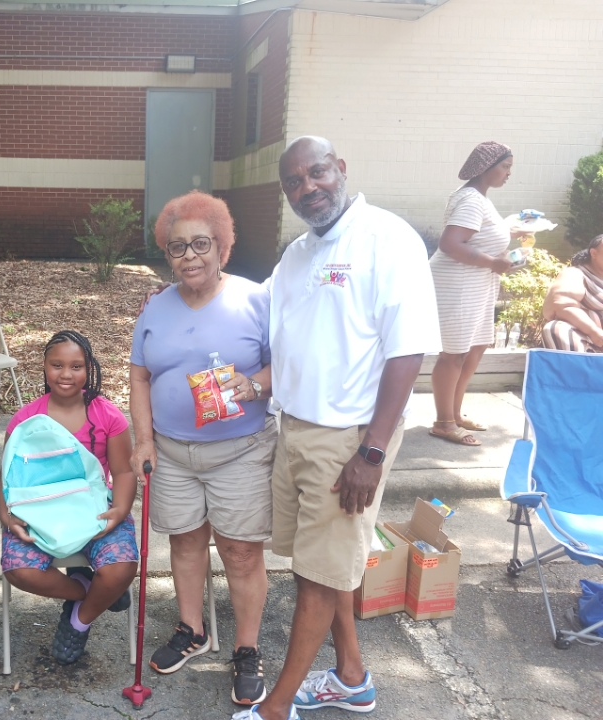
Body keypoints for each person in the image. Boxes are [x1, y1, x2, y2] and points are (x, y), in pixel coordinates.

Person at [233, 137, 440, 720]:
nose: (308, 188)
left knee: (320, 579)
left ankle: (276, 709)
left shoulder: (387, 239)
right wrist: (187, 292)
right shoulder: (298, 253)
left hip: (350, 439)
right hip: (295, 428)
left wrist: (371, 452)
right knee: (319, 567)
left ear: (341, 168)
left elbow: (408, 350)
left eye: (317, 173)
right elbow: (255, 306)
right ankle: (351, 677)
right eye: (294, 182)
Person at [130, 191, 276, 706]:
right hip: (172, 453)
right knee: (186, 542)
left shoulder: (256, 299)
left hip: (240, 451)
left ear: (222, 246)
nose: (189, 255)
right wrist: (143, 440)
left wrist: (255, 385)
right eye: (177, 247)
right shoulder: (155, 306)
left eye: (200, 243)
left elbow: (286, 364)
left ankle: (246, 649)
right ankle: (192, 630)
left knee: (241, 551)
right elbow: (140, 375)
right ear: (167, 254)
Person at [0, 330, 138, 665]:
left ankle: (78, 622)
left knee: (120, 568)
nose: (66, 374)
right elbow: (7, 478)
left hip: (93, 511)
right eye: (57, 365)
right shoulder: (25, 420)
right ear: (44, 367)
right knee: (19, 569)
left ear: (89, 369)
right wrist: (7, 517)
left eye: (76, 366)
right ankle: (89, 593)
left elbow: (123, 472)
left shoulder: (108, 416)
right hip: (38, 514)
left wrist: (120, 509)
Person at [428, 142, 525, 446]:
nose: (509, 173)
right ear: (486, 167)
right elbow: (451, 243)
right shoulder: (471, 199)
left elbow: (478, 234)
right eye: (505, 166)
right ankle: (443, 423)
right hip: (457, 284)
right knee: (454, 354)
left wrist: (509, 234)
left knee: (476, 347)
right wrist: (494, 263)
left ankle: (455, 413)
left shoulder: (479, 197)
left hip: (477, 284)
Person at [542, 234, 603, 352]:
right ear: (594, 253)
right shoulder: (575, 274)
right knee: (556, 329)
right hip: (589, 342)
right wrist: (594, 332)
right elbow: (559, 305)